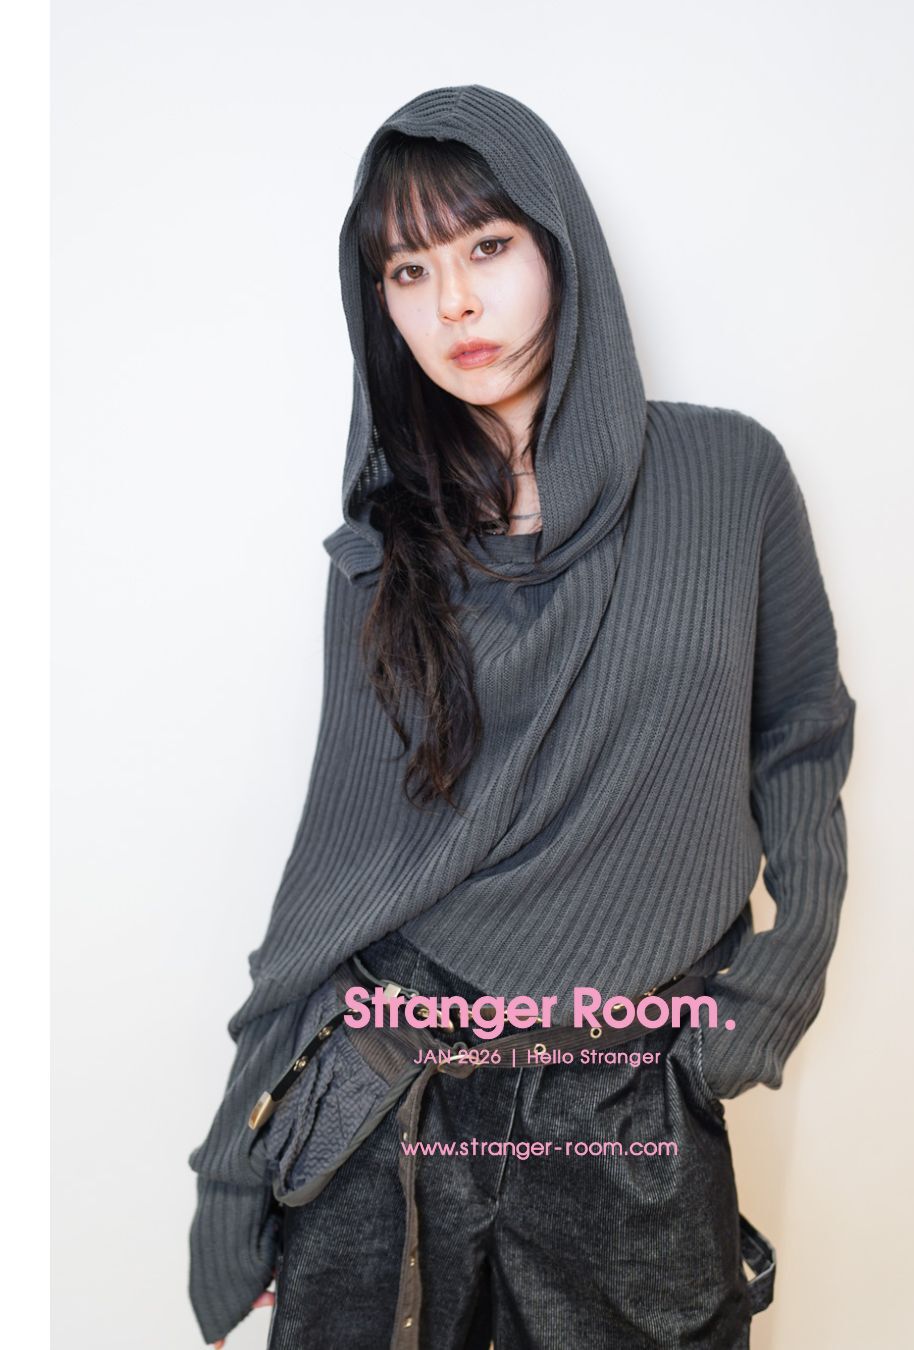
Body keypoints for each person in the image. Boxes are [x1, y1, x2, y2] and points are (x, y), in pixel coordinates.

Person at [187, 83, 857, 1350]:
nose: (454, 303)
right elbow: (336, 866)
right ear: (378, 306)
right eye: (408, 270)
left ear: (560, 245)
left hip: (628, 1098)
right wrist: (233, 1169)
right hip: (389, 1098)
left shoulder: (730, 477)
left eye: (487, 246)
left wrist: (775, 988)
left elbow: (802, 735)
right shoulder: (386, 551)